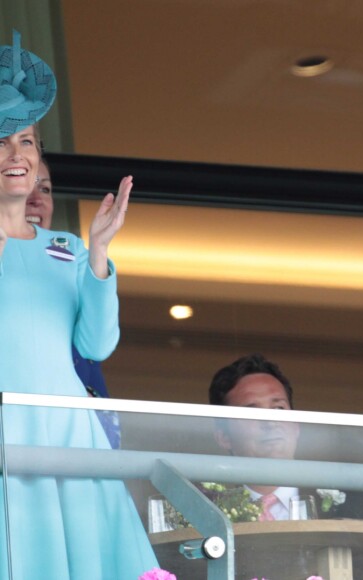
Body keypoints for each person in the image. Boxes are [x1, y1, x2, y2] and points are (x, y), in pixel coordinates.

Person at [0, 31, 161, 578]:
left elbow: (96, 345)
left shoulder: (64, 248)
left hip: (67, 433)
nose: (15, 155)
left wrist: (98, 253)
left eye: (26, 141)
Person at [208, 353, 363, 522]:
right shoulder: (208, 513)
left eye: (279, 409)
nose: (270, 422)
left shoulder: (360, 503)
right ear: (224, 436)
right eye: (252, 412)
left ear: (296, 425)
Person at [26, 157, 121, 448]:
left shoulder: (71, 260)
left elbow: (98, 347)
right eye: (21, 184)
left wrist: (99, 252)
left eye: (45, 189)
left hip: (75, 448)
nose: (36, 200)